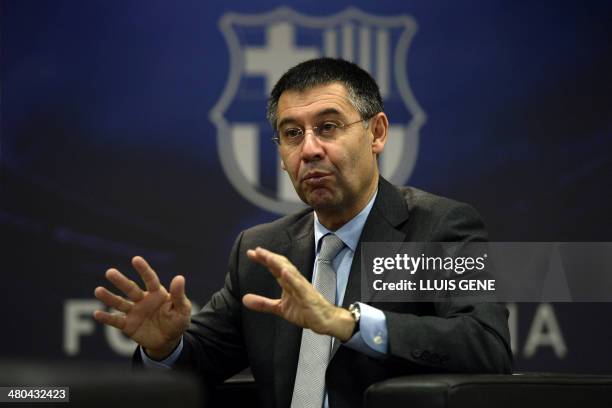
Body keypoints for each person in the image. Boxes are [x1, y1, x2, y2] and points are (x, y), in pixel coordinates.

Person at [93, 58, 512, 408]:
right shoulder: (261, 251)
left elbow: (485, 346)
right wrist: (165, 348)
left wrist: (349, 322)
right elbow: (199, 366)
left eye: (328, 127)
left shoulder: (438, 227)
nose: (309, 149)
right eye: (292, 134)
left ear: (377, 133)